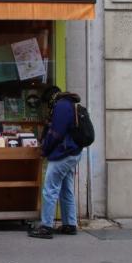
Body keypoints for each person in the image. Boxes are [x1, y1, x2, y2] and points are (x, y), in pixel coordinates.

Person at [28, 86, 83, 239]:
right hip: (72, 152)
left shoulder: (61, 106)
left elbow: (56, 133)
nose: (47, 105)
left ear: (52, 98)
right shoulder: (70, 104)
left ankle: (46, 226)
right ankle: (69, 224)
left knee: (49, 190)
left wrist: (44, 150)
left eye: (47, 102)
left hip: (63, 154)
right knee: (66, 189)